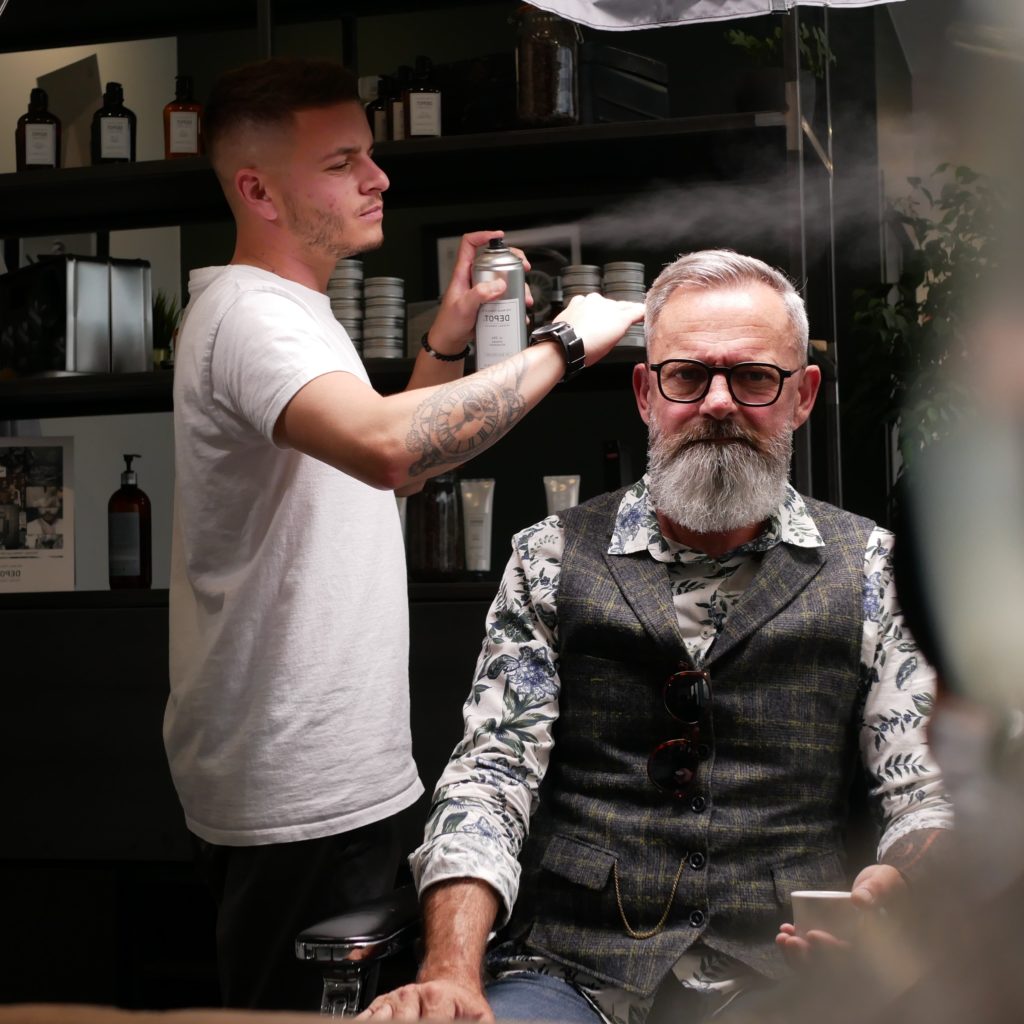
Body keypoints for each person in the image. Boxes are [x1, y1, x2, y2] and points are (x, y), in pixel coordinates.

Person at [359, 250, 954, 1024]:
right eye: (686, 377)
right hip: (567, 972)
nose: (717, 404)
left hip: (788, 976)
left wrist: (906, 895)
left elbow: (925, 790)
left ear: (803, 395)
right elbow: (490, 781)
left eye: (753, 378)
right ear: (646, 393)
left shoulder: (875, 567)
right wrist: (450, 973)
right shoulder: (548, 556)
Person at [163, 56, 643, 1011]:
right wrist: (568, 344)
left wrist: (450, 334)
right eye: (342, 162)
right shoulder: (254, 318)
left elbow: (396, 465)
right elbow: (389, 449)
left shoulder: (291, 313)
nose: (378, 179)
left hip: (336, 773)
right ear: (257, 189)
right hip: (294, 792)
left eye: (369, 156)